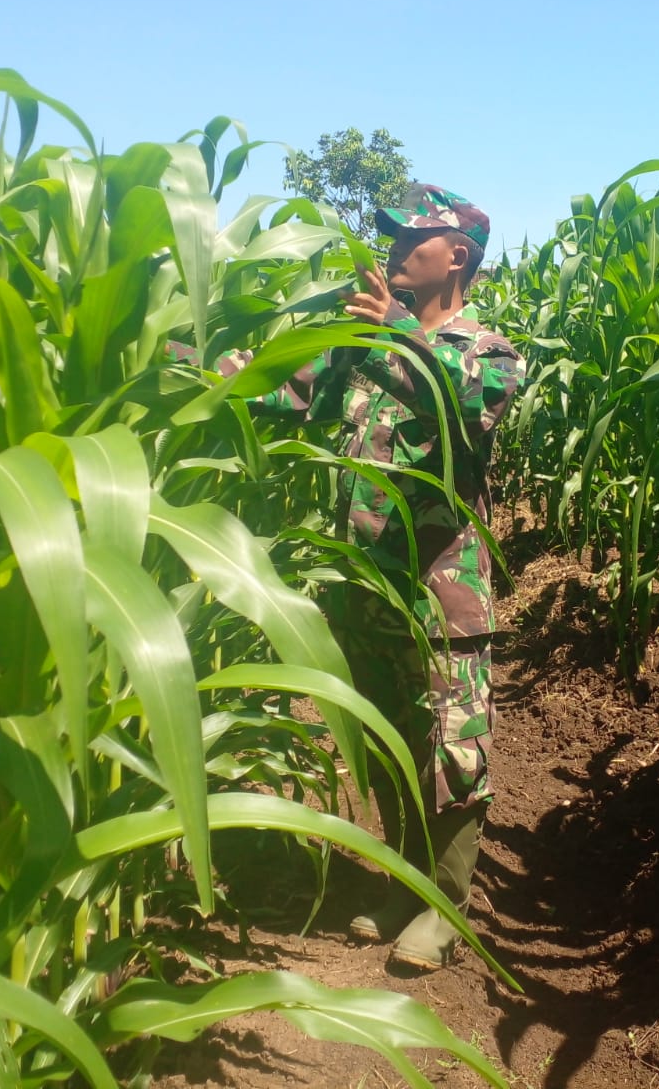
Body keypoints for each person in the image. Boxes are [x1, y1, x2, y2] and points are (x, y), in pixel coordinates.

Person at [169, 185, 524, 970]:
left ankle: (445, 906)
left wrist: (392, 333)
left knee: (451, 742)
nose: (393, 247)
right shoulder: (360, 340)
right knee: (389, 732)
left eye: (411, 238)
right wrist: (178, 361)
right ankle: (403, 883)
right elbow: (280, 387)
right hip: (361, 579)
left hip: (440, 585)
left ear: (457, 255)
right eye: (390, 234)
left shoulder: (487, 352)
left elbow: (463, 407)